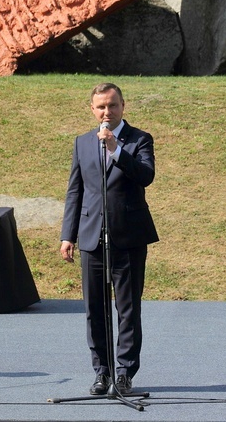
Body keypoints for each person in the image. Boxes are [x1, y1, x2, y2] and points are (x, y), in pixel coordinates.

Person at [60, 82, 158, 395]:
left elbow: (146, 176)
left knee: (128, 310)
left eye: (112, 105)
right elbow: (76, 191)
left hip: (128, 238)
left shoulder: (139, 139)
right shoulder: (82, 142)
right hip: (91, 238)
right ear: (93, 109)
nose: (107, 111)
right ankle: (102, 372)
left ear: (122, 106)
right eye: (101, 106)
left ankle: (125, 373)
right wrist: (68, 236)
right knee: (95, 310)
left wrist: (116, 149)